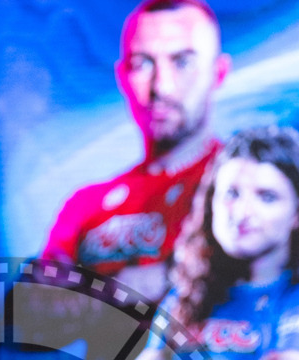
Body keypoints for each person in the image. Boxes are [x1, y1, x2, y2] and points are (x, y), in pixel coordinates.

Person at [123, 127, 299, 360]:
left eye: (266, 197)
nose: (242, 213)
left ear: (298, 213)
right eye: (231, 193)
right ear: (211, 204)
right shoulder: (186, 297)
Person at [41, 0, 230, 302]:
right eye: (142, 63)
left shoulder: (250, 185)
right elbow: (23, 320)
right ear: (122, 76)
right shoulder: (86, 206)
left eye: (182, 62)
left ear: (218, 73)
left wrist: (166, 275)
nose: (161, 87)